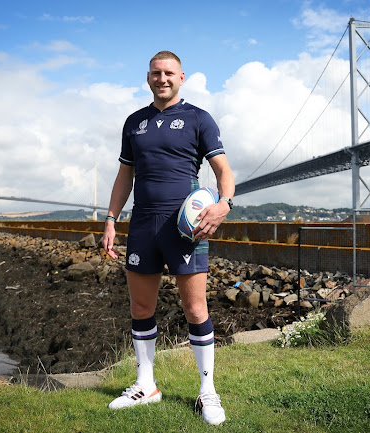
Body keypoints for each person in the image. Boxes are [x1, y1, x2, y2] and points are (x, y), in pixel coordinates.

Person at [101, 50, 235, 425]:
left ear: (182, 77)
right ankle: (147, 385)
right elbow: (124, 177)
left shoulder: (198, 118)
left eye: (169, 73)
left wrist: (224, 204)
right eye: (156, 73)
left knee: (195, 310)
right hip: (142, 224)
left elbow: (223, 169)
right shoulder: (134, 122)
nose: (163, 78)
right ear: (148, 78)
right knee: (141, 309)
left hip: (185, 227)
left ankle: (207, 391)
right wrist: (111, 220)